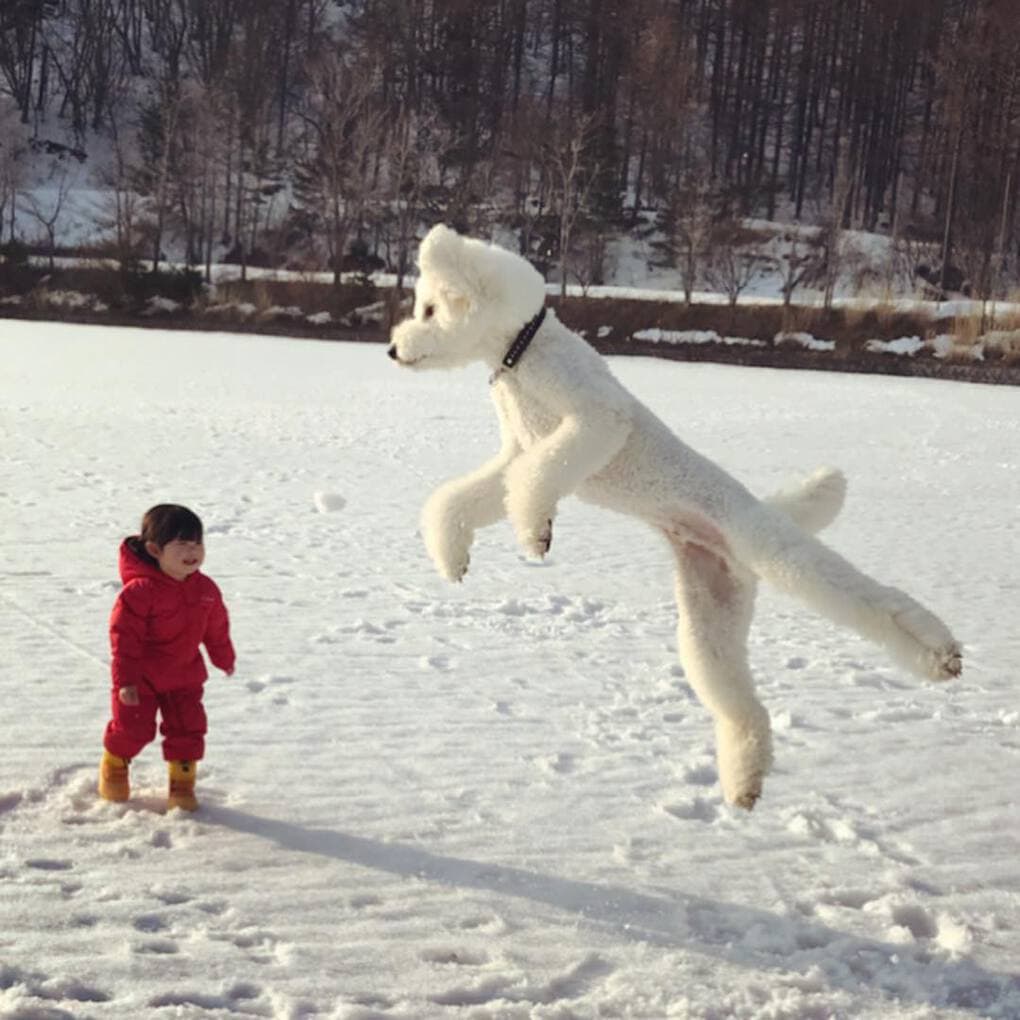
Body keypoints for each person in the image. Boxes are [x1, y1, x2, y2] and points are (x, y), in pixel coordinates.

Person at [99, 504, 235, 811]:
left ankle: (182, 785)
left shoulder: (206, 589)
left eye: (197, 543)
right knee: (133, 729)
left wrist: (222, 655)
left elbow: (216, 627)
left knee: (189, 728)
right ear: (154, 549)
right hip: (141, 679)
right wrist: (126, 681)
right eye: (182, 545)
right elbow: (124, 641)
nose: (192, 552)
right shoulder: (138, 592)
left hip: (184, 675)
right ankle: (115, 764)